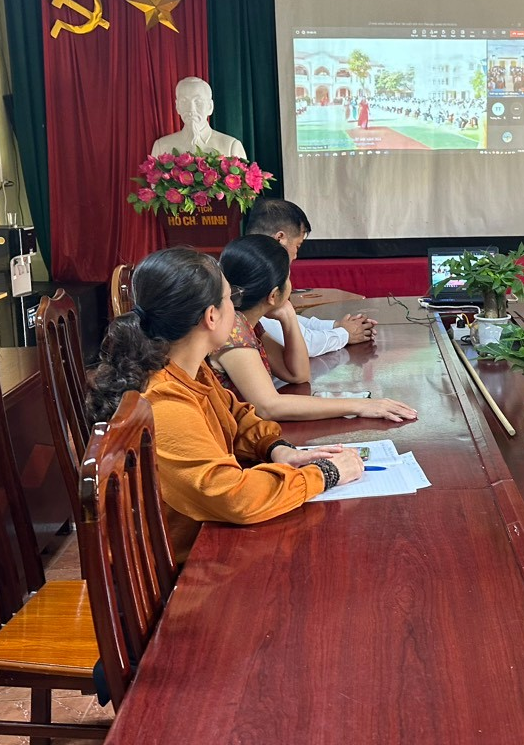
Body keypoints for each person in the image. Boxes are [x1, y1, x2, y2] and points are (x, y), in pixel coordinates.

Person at [88, 247, 363, 556]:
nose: (236, 307)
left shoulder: (189, 367)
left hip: (211, 532)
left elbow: (237, 415)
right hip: (189, 561)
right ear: (211, 316)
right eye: (231, 298)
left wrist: (277, 449)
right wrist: (325, 473)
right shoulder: (164, 402)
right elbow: (235, 498)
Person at [213, 235, 418, 424]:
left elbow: (297, 374)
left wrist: (289, 318)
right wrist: (361, 405)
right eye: (288, 278)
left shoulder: (248, 322)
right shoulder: (232, 330)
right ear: (273, 295)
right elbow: (269, 407)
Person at [244, 198, 377, 351]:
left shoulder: (247, 259)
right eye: (297, 245)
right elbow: (302, 344)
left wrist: (337, 326)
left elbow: (291, 324)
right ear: (280, 238)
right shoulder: (260, 273)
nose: (295, 256)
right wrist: (345, 334)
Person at [150, 76, 248, 161]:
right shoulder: (161, 146)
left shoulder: (231, 146)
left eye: (198, 102)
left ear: (210, 107)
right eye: (184, 101)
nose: (191, 109)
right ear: (177, 106)